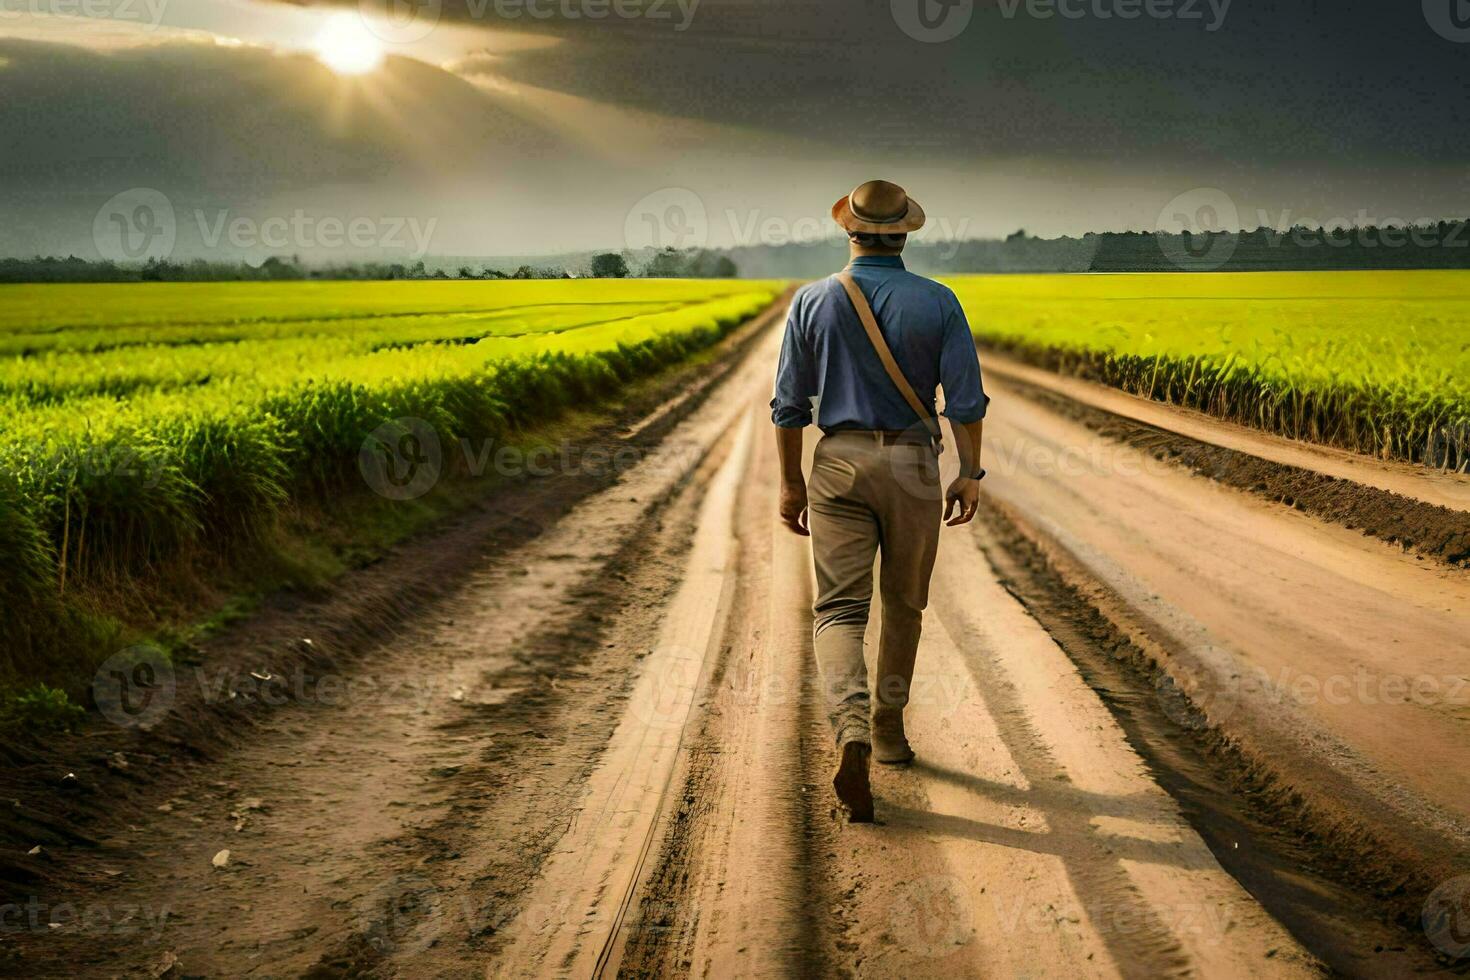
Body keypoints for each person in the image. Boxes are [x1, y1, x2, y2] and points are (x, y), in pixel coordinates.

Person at [770, 180, 989, 822]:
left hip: (838, 461)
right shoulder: (940, 302)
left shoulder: (812, 302)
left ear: (850, 231)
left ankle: (851, 732)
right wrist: (970, 470)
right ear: (906, 234)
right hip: (915, 465)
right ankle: (889, 732)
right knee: (904, 602)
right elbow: (967, 399)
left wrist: (790, 482)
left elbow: (788, 405)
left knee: (838, 609)